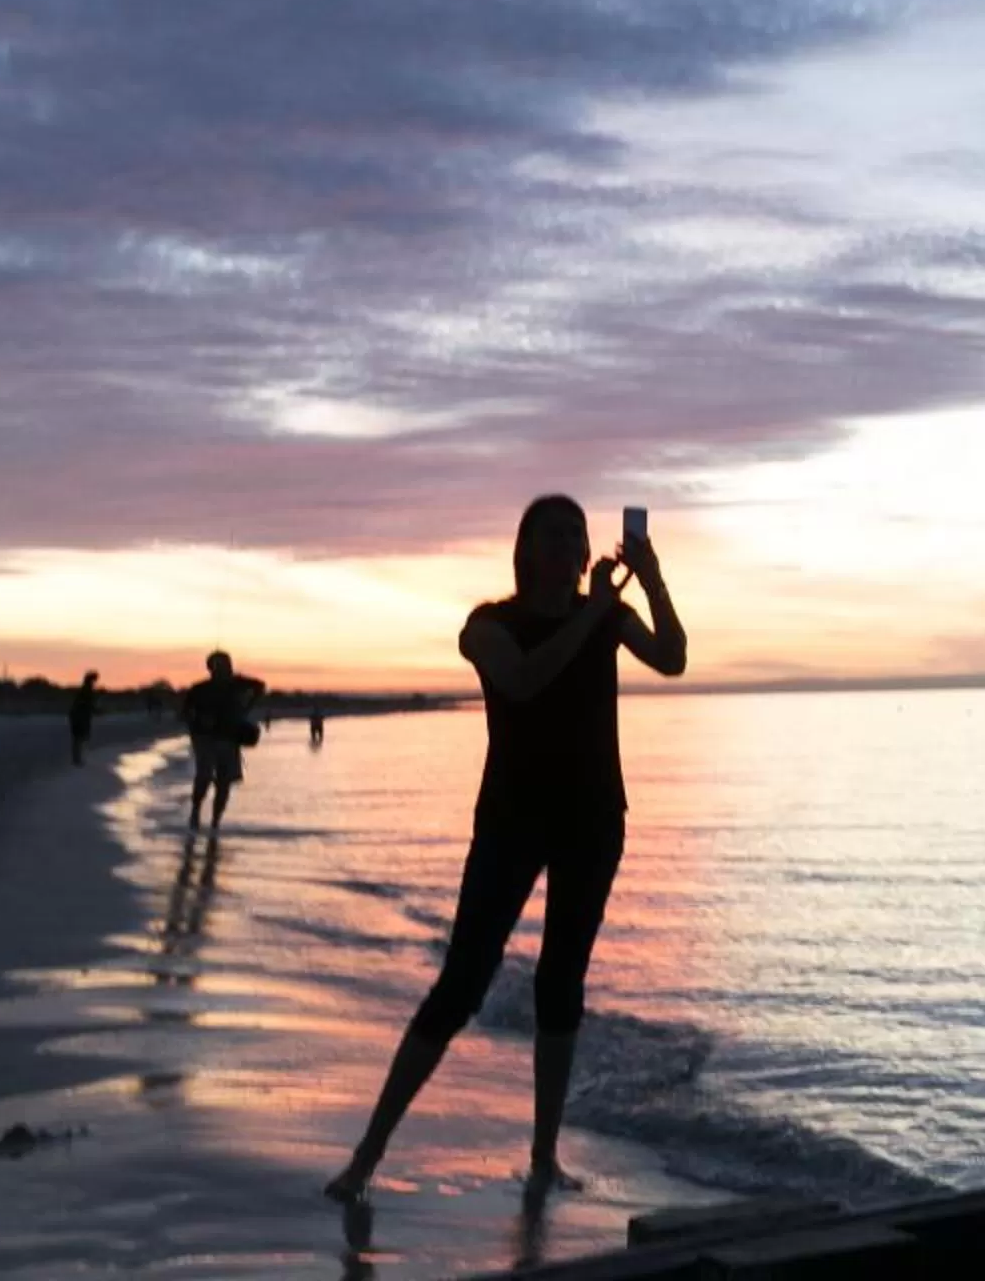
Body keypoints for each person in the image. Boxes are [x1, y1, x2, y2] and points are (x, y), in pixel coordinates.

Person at [325, 496, 687, 1204]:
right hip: (512, 822)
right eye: (552, 533)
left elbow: (672, 660)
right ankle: (367, 1156)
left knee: (562, 986)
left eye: (576, 535)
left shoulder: (607, 616)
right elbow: (522, 682)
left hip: (591, 821)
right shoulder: (489, 625)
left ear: (588, 556)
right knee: (460, 985)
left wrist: (652, 580)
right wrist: (591, 614)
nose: (567, 544)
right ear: (524, 550)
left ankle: (544, 1157)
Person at [181, 652, 266, 830]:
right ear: (211, 668)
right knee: (204, 776)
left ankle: (215, 822)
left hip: (229, 737)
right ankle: (196, 811)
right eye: (220, 665)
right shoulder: (200, 689)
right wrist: (198, 722)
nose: (225, 669)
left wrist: (246, 707)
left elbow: (260, 686)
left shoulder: (237, 684)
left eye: (226, 664)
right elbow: (184, 714)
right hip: (205, 738)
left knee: (224, 782)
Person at [68, 670, 100, 767]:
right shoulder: (87, 690)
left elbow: (88, 704)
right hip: (80, 716)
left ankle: (77, 758)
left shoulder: (85, 689)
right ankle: (77, 759)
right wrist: (96, 710)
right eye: (94, 680)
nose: (95, 682)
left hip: (78, 715)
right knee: (79, 737)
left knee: (78, 738)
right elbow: (88, 704)